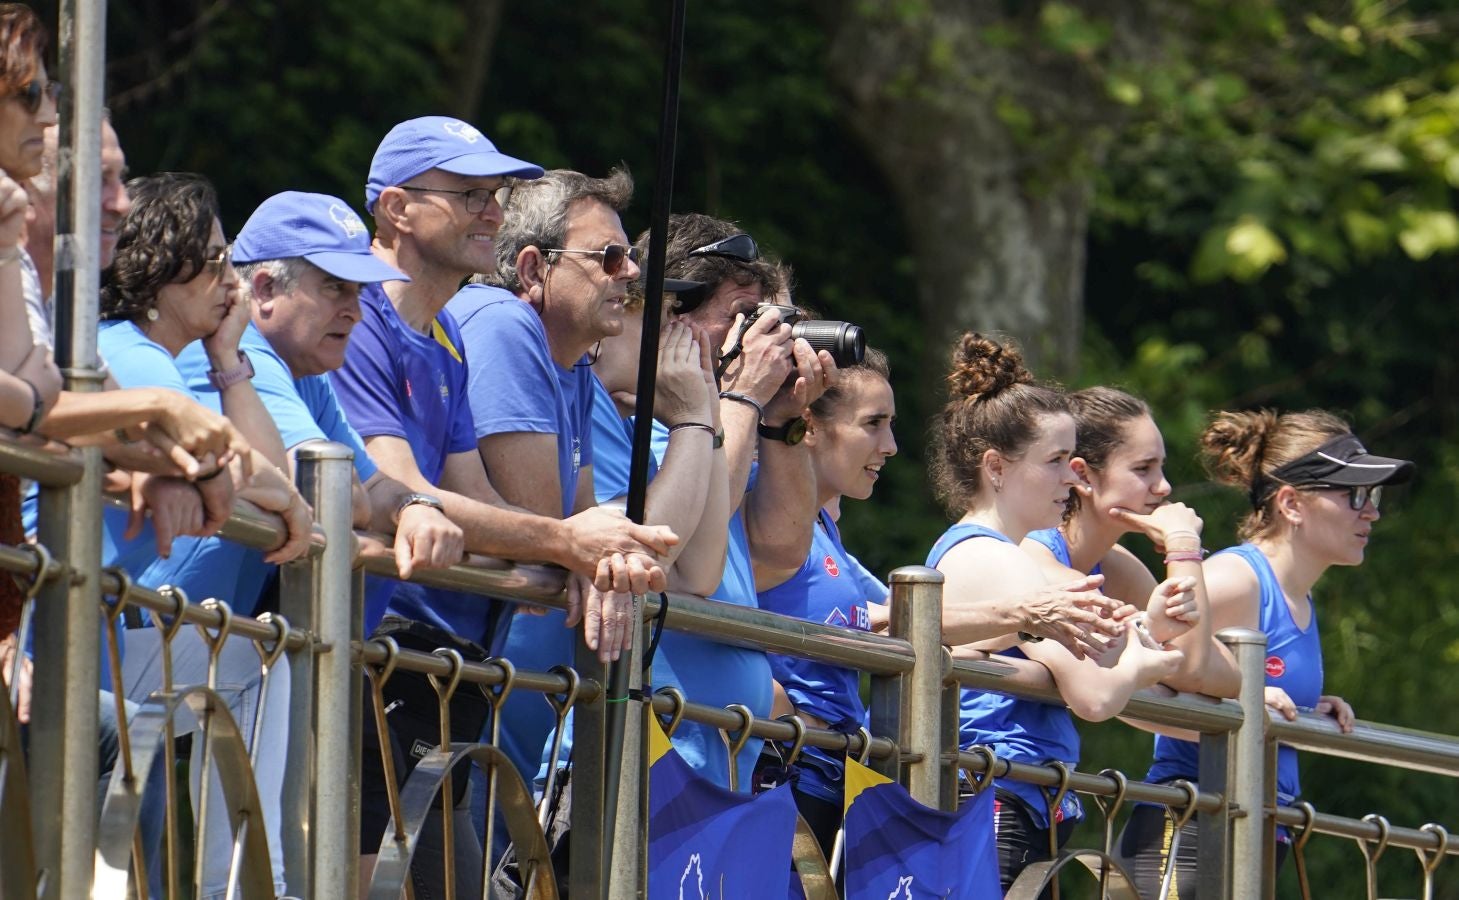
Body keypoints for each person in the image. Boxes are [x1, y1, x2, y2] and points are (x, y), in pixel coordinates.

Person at [331, 116, 677, 893]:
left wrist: (575, 546)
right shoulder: (363, 318)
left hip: (439, 668)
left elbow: (476, 505)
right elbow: (404, 494)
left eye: (494, 193)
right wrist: (567, 543)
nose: (491, 207)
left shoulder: (446, 337)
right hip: (379, 649)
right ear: (395, 208)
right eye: (467, 194)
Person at [99, 171, 314, 900]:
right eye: (217, 260)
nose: (234, 280)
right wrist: (283, 498)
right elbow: (260, 474)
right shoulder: (129, 352)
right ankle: (255, 890)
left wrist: (228, 362)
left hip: (89, 629)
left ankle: (253, 886)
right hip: (54, 633)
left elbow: (268, 470)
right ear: (164, 267)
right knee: (256, 654)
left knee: (256, 652)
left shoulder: (157, 355)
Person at [924, 333, 1187, 892]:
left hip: (1015, 794)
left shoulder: (998, 552)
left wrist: (1145, 637)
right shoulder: (993, 556)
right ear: (996, 467)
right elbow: (1094, 695)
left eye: (1072, 461)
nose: (1073, 478)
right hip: (994, 795)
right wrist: (1147, 664)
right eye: (1054, 462)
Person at [1119, 409, 1409, 896]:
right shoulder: (1238, 579)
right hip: (1190, 818)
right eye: (1355, 494)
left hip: (1257, 826)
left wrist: (1303, 713)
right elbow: (1124, 679)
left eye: (1374, 495)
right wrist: (1250, 712)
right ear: (1292, 503)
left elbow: (1231, 686)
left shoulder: (1299, 595)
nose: (1372, 511)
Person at [639, 213, 837, 789]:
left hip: (722, 756)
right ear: (672, 316)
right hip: (657, 746)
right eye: (738, 320)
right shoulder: (641, 427)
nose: (752, 341)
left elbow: (780, 549)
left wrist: (781, 423)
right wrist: (744, 395)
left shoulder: (733, 426)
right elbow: (687, 534)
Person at [755, 347, 897, 858]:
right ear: (808, 425)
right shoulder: (762, 504)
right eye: (874, 424)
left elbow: (901, 620)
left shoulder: (822, 524)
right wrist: (782, 709)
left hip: (823, 770)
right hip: (781, 765)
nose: (892, 445)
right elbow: (695, 604)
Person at [1021, 386, 1243, 694]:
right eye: (1143, 469)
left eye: (1160, 467)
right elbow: (1191, 667)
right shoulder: (1036, 561)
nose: (1164, 487)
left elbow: (1226, 677)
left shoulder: (1115, 565)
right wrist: (1183, 546)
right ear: (1083, 476)